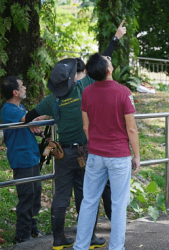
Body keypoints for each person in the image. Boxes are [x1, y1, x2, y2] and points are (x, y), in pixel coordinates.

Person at [25, 21, 127, 250]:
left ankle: (58, 240)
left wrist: (32, 122)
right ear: (74, 79)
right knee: (85, 195)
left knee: (60, 196)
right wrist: (115, 38)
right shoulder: (85, 88)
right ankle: (89, 238)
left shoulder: (52, 100)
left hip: (62, 153)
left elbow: (28, 115)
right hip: (84, 152)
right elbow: (101, 63)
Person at [73, 52, 140, 250]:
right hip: (119, 155)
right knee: (119, 204)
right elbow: (132, 128)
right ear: (109, 70)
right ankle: (116, 247)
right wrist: (136, 155)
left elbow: (86, 127)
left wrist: (95, 144)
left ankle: (80, 246)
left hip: (95, 154)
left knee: (89, 201)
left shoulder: (87, 93)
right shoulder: (123, 92)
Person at [1, 76, 45, 244]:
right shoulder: (9, 109)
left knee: (35, 194)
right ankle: (22, 236)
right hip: (21, 158)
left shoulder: (20, 107)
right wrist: (45, 109)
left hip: (32, 155)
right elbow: (28, 119)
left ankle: (32, 228)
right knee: (26, 196)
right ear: (15, 92)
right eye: (22, 85)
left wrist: (39, 130)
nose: (25, 87)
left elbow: (30, 123)